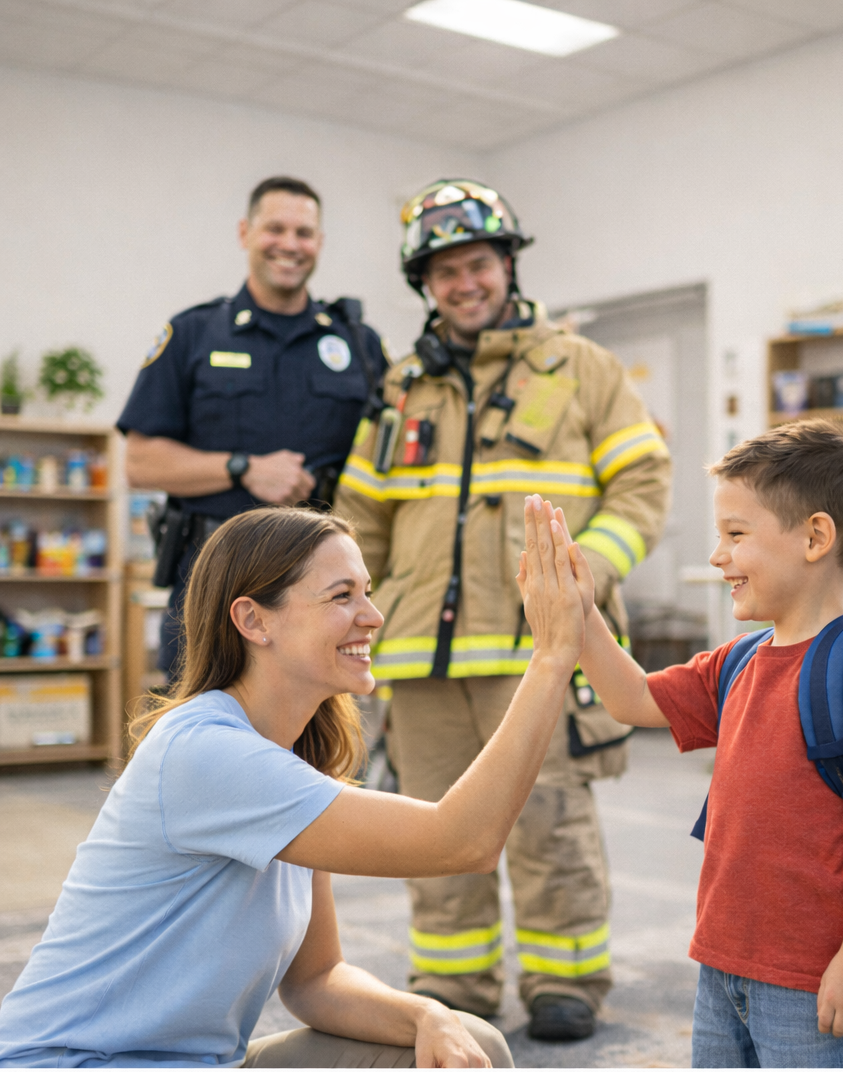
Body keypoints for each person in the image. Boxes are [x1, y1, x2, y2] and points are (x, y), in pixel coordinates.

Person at [0, 497, 585, 1068]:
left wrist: (426, 1015)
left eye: (368, 593)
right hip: (77, 1061)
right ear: (253, 620)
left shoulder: (288, 765)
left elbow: (316, 980)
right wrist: (551, 658)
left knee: (470, 1042)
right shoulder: (206, 754)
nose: (373, 617)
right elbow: (463, 841)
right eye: (341, 596)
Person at [335, 179, 671, 1040]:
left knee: (550, 819)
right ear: (425, 285)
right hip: (418, 655)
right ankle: (455, 980)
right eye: (444, 272)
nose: (464, 283)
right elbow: (360, 517)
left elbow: (642, 483)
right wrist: (343, 614)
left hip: (542, 648)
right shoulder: (400, 388)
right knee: (431, 828)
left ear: (507, 264)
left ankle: (567, 980)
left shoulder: (584, 367)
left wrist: (582, 575)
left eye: (477, 263)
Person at [559, 419, 843, 1068]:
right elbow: (634, 699)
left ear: (816, 537)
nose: (717, 557)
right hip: (723, 968)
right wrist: (579, 606)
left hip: (819, 981)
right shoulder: (738, 662)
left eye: (736, 536)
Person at [118, 175, 388, 675]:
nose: (289, 244)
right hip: (217, 583)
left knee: (320, 746)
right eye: (275, 228)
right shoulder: (193, 333)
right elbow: (139, 461)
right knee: (205, 733)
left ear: (320, 244)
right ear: (245, 233)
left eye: (304, 233)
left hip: (325, 589)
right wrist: (243, 469)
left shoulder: (360, 346)